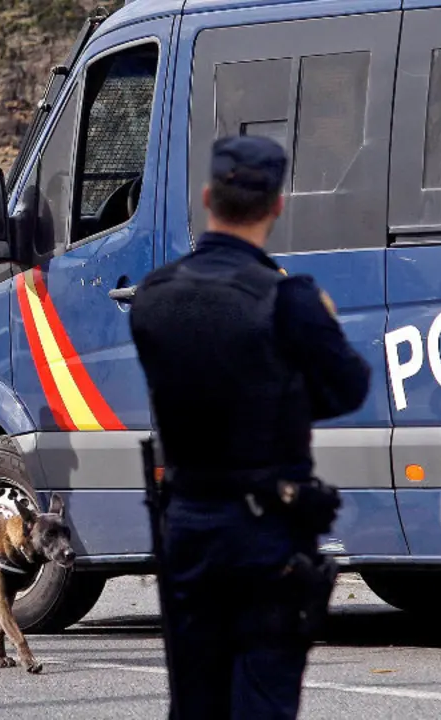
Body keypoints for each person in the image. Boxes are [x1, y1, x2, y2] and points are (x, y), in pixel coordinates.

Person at [128, 136, 371, 718]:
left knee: (195, 704)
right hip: (266, 532)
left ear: (207, 198)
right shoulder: (289, 299)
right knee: (262, 701)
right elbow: (349, 387)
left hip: (187, 525)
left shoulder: (152, 297)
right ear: (277, 206)